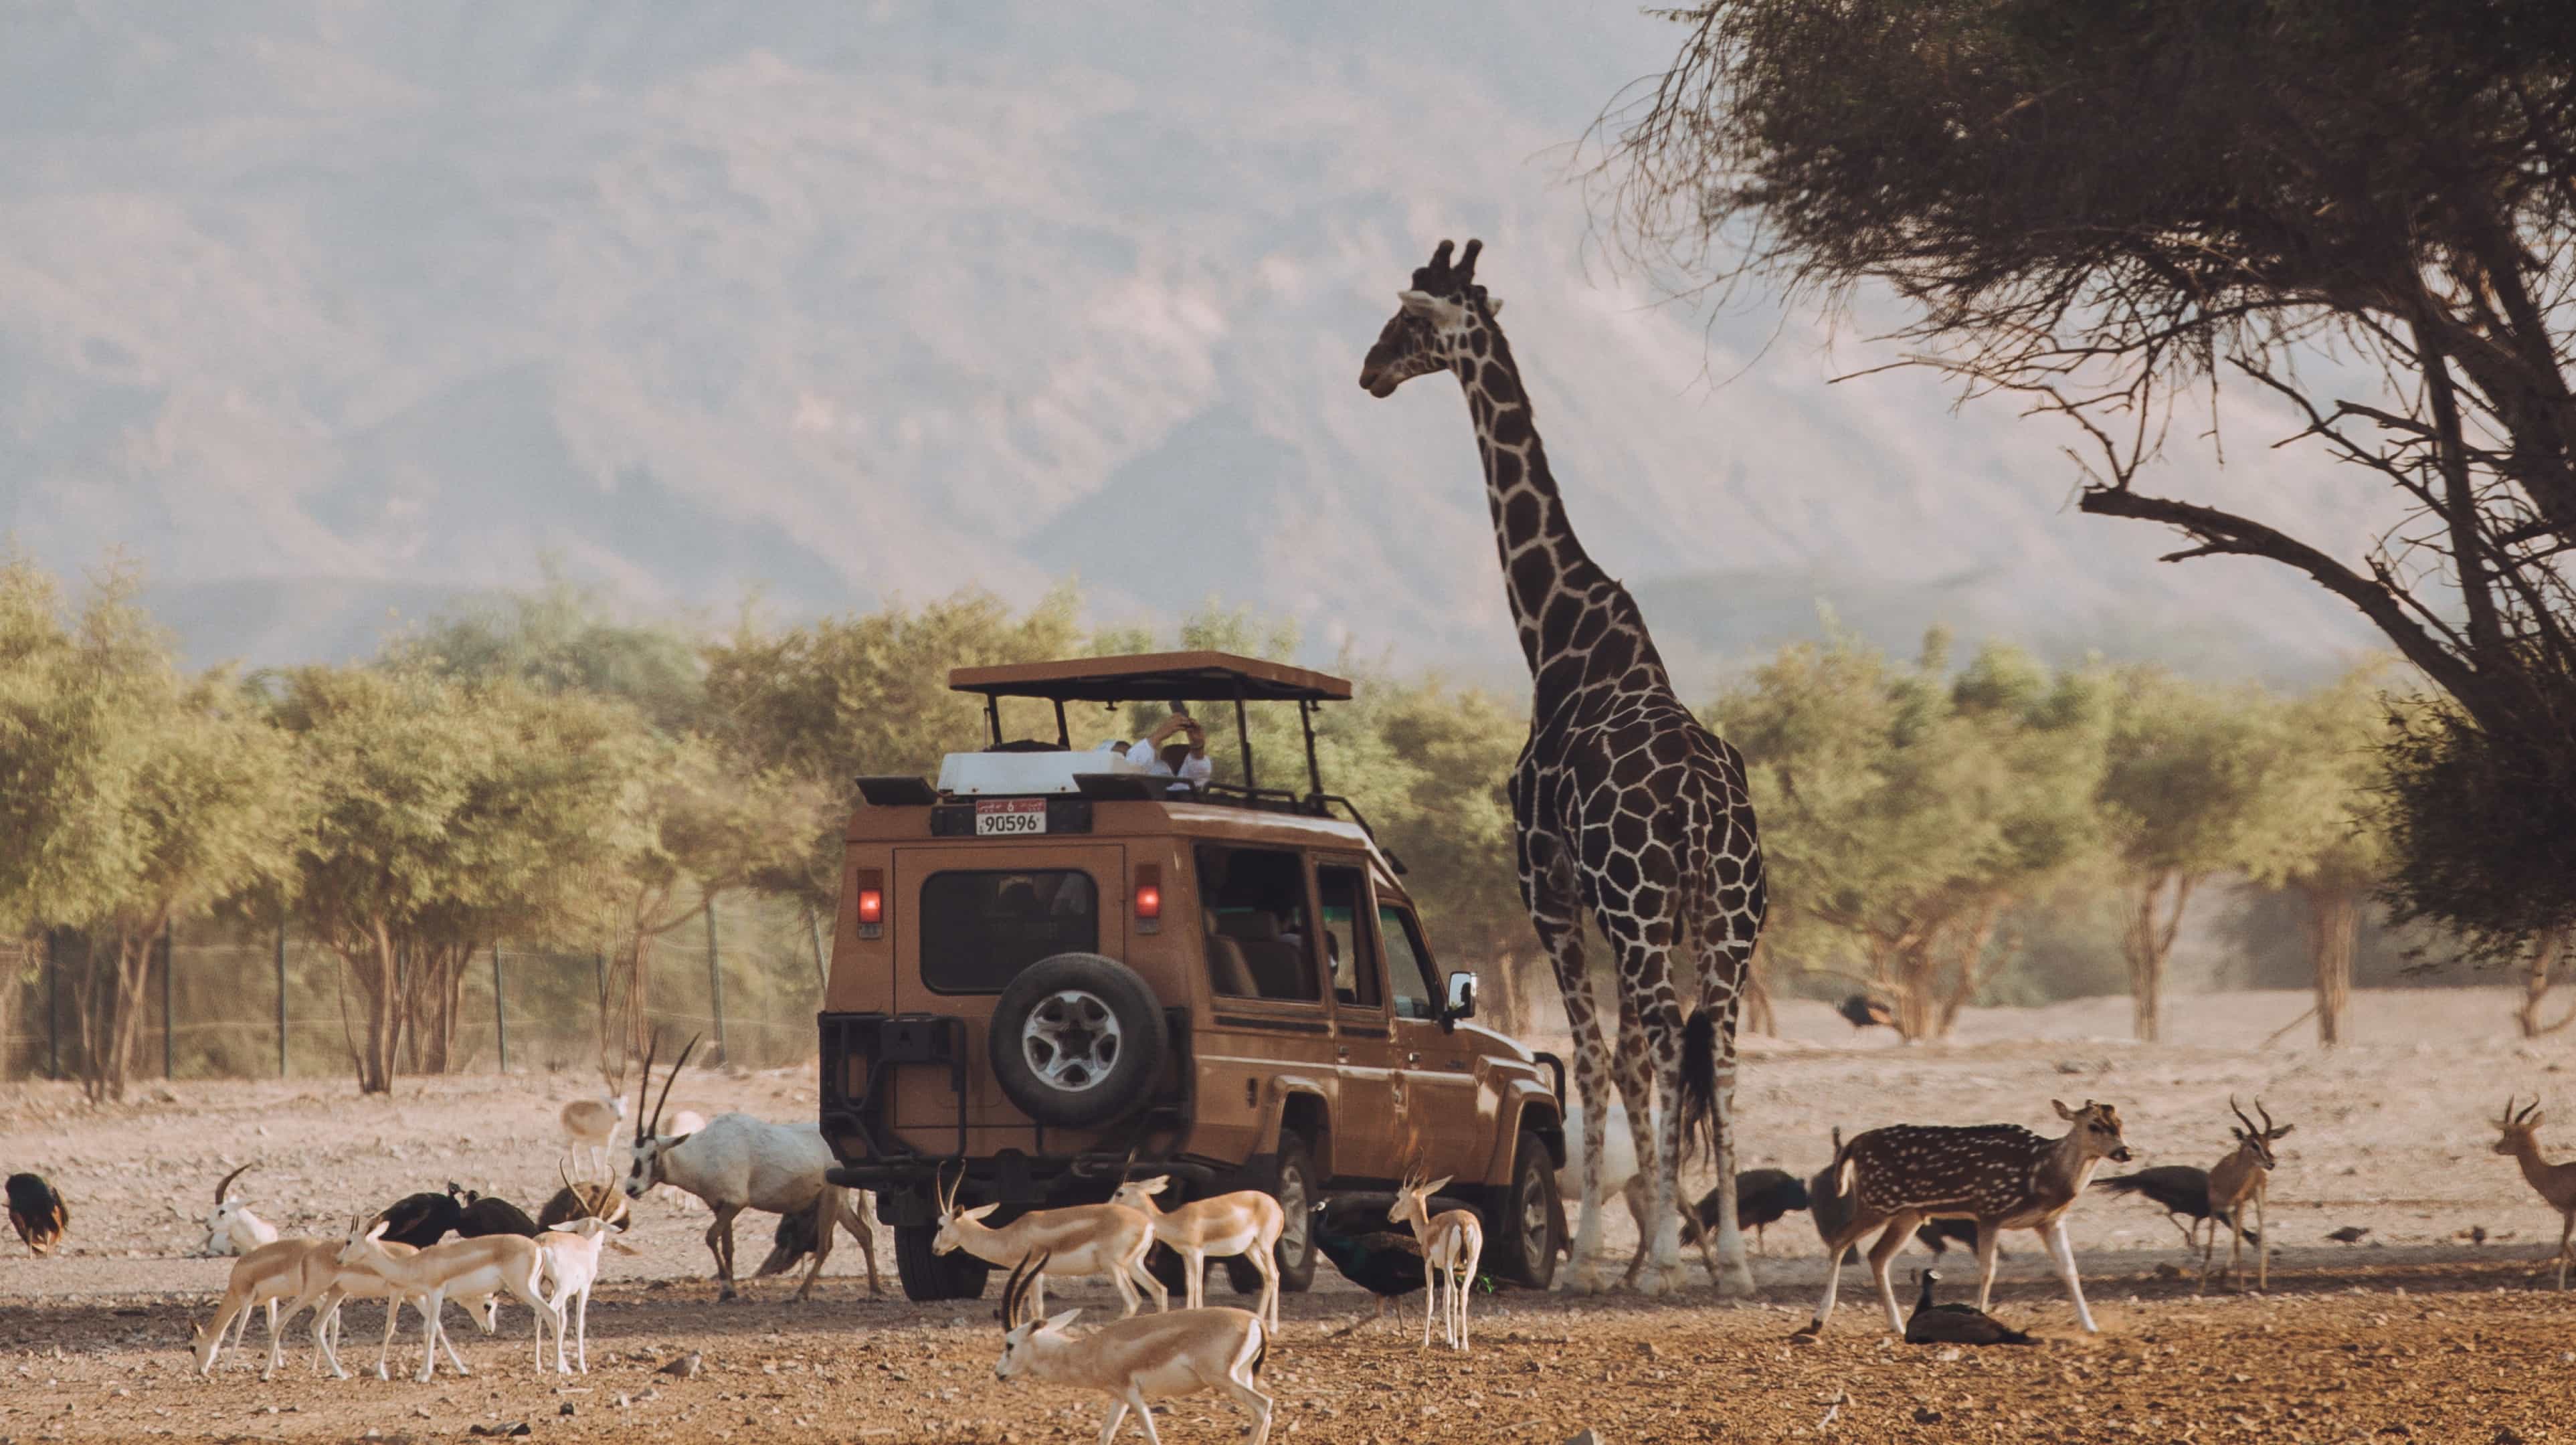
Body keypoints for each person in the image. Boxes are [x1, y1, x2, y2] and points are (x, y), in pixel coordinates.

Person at [1123, 711, 1212, 791]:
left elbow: (1197, 778)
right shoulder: (1149, 772)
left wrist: (1197, 745)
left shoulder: (1176, 792)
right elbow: (1129, 777)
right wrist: (1159, 735)